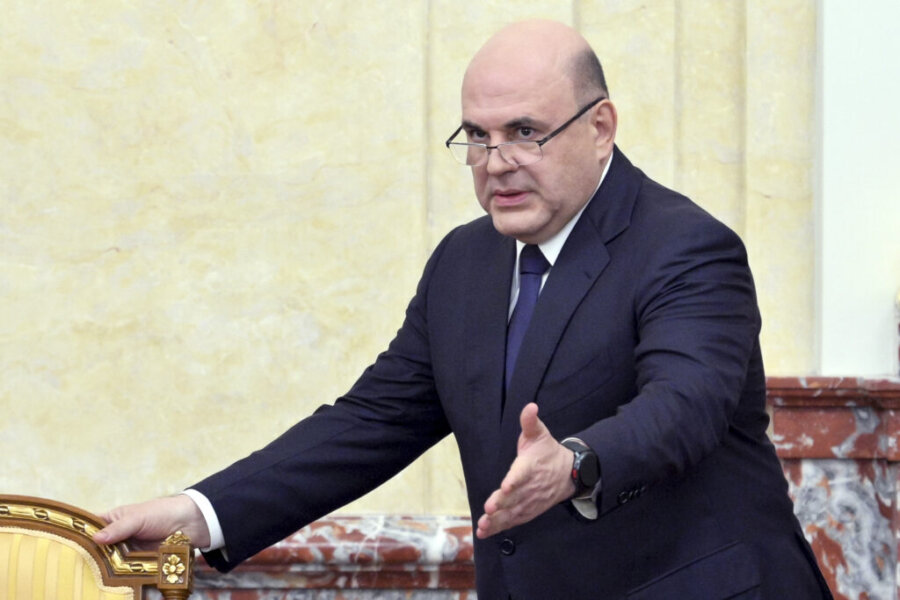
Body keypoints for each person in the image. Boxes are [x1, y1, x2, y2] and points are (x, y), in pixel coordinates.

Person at [95, 19, 833, 599]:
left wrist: (576, 464)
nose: (496, 161)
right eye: (476, 137)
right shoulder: (463, 263)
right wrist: (199, 514)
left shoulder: (686, 247)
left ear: (601, 126)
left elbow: (685, 406)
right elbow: (373, 421)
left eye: (525, 132)